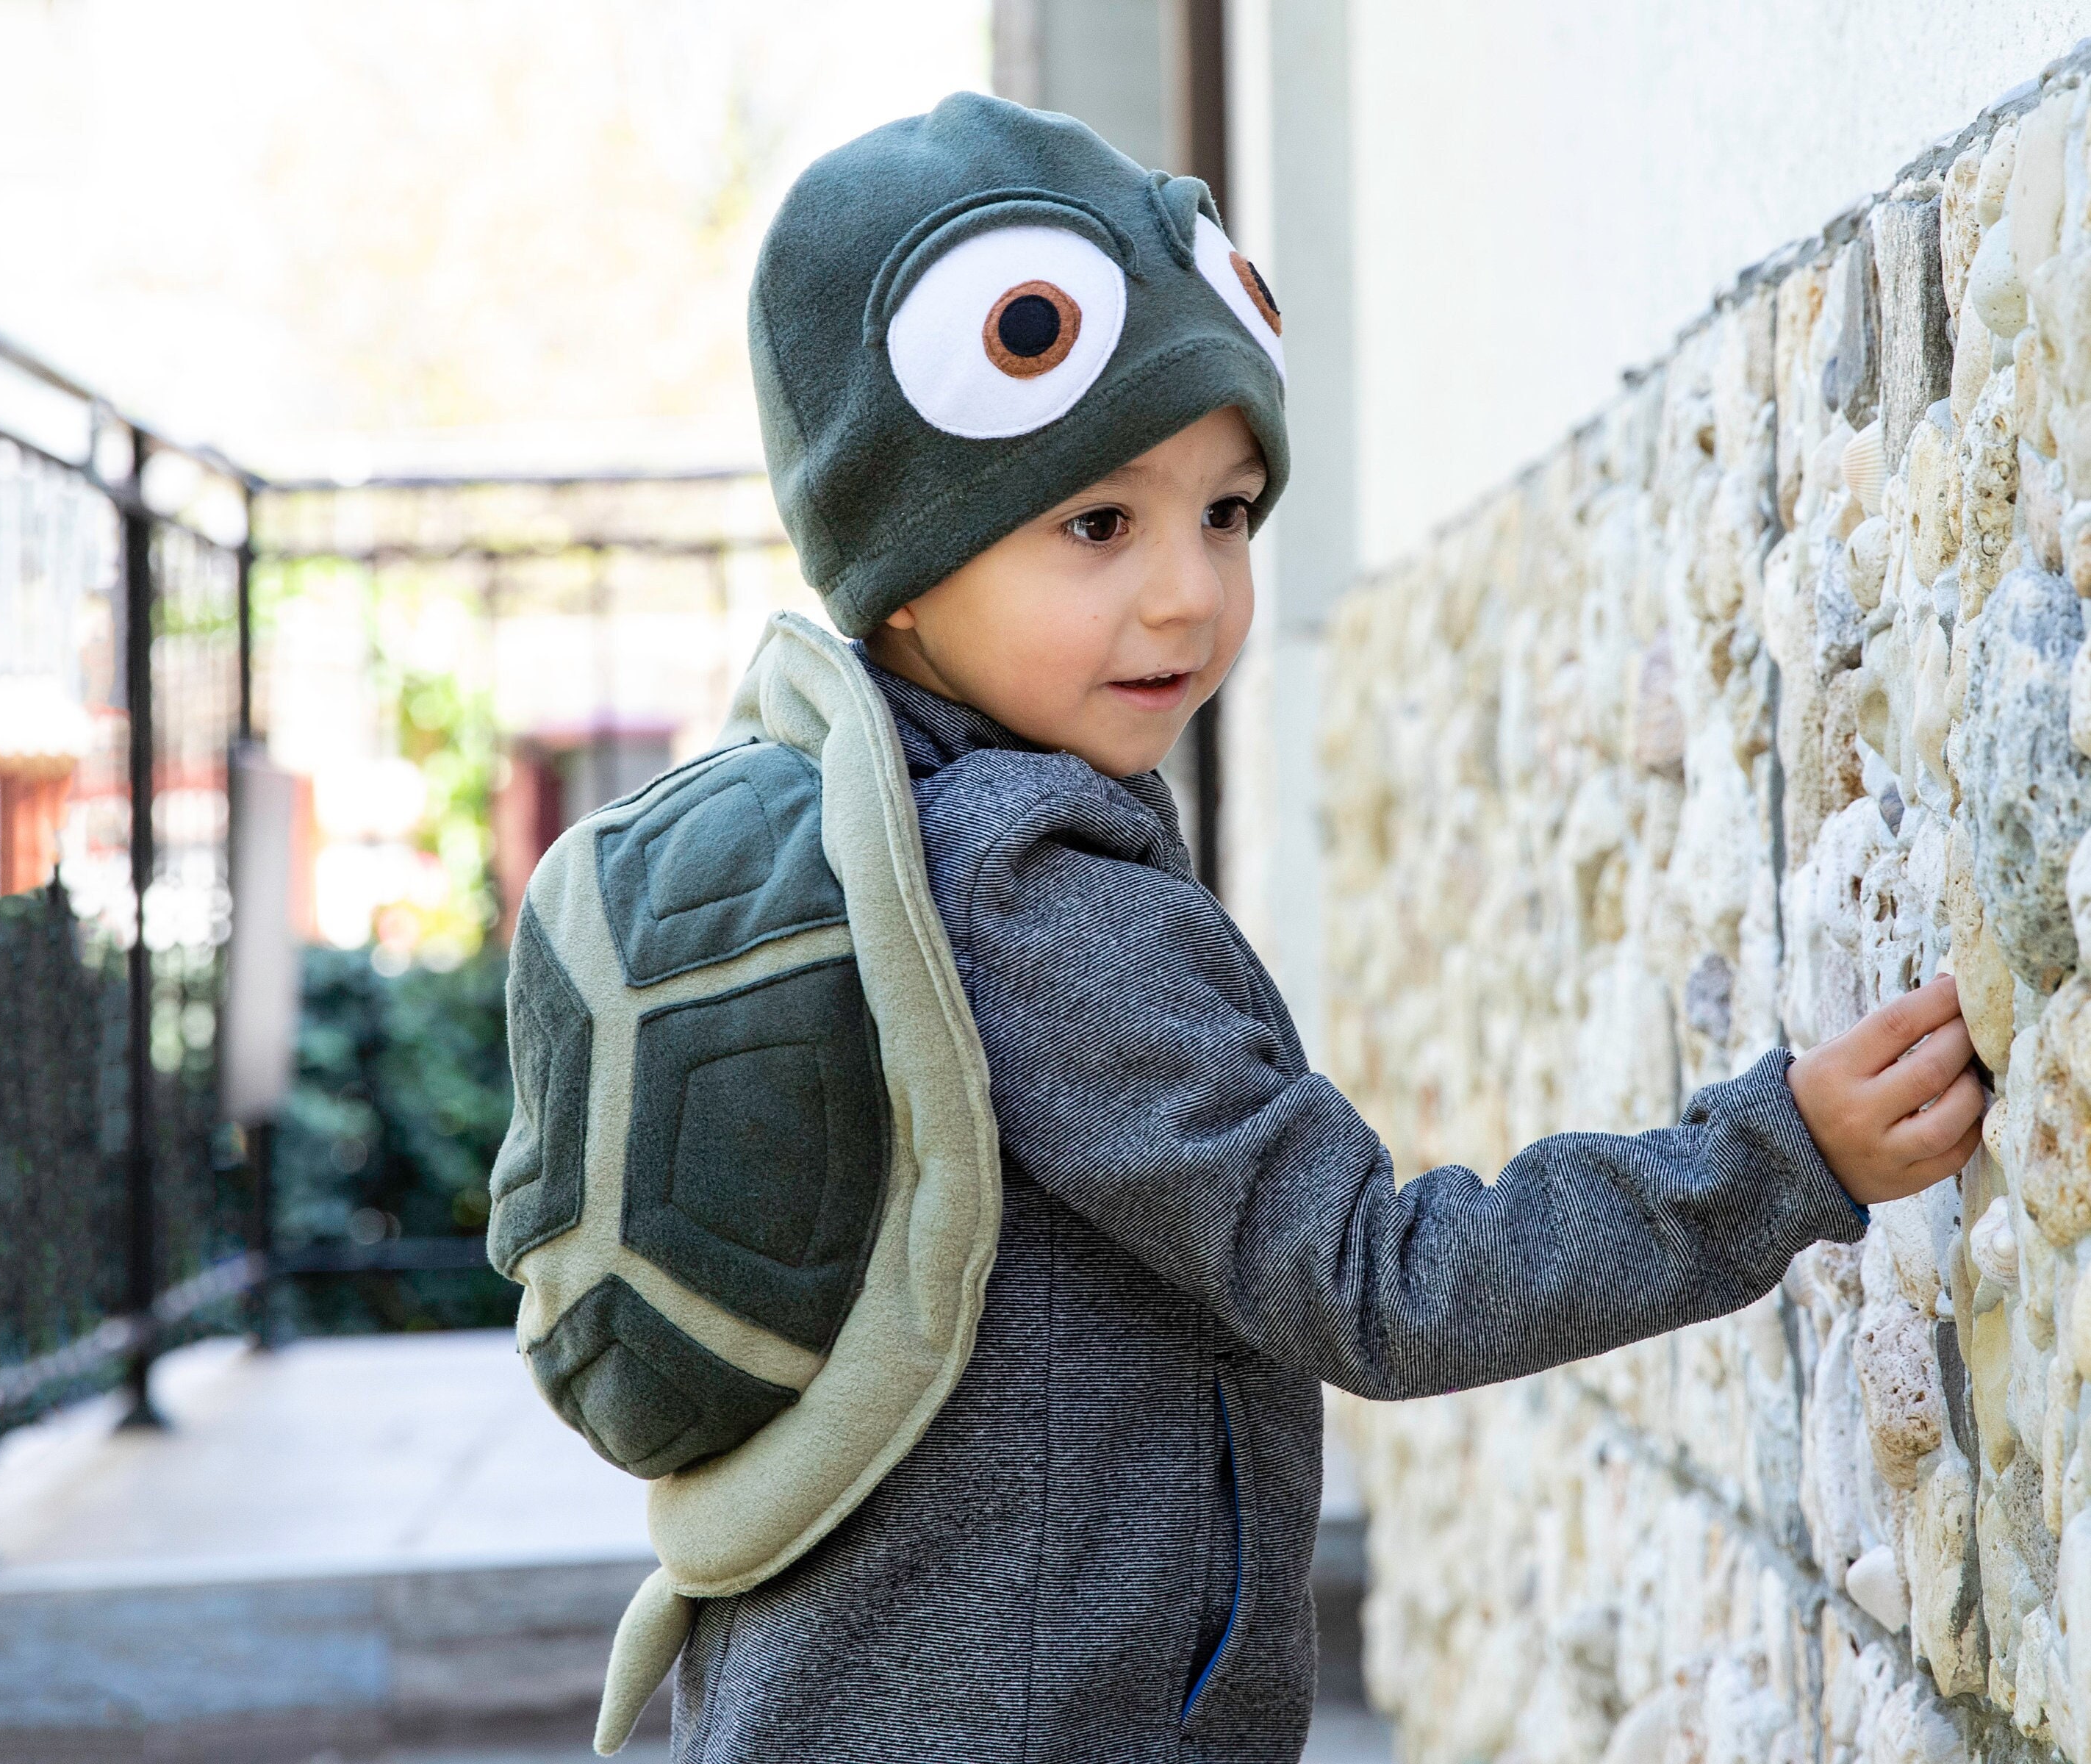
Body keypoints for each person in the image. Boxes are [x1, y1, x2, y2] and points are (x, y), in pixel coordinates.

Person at [642, 93, 1983, 1761]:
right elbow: (1376, 1282)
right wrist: (1783, 1155)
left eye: (1227, 510)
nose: (1189, 592)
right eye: (1098, 522)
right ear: (900, 572)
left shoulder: (883, 837)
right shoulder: (1034, 901)